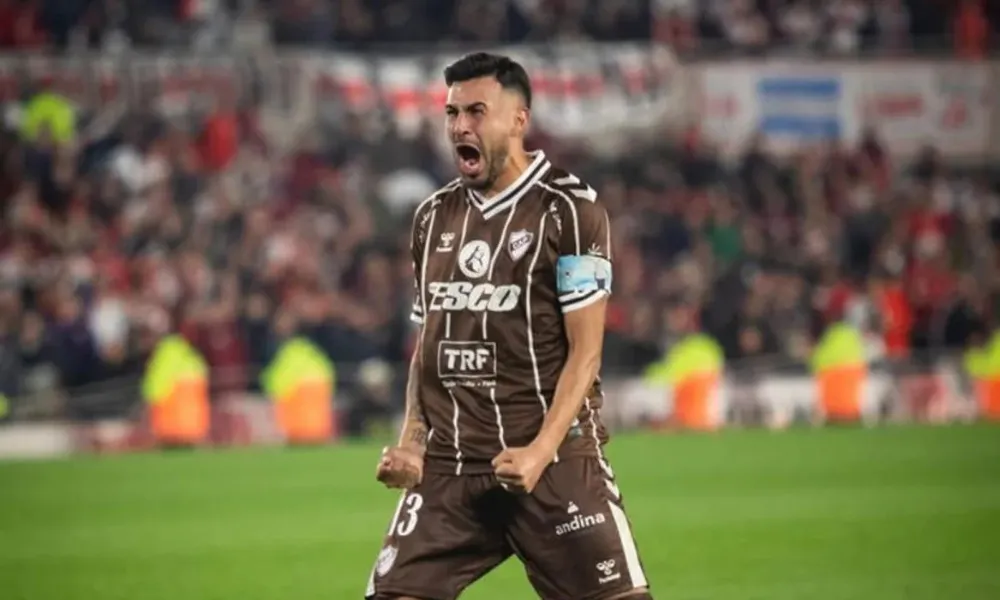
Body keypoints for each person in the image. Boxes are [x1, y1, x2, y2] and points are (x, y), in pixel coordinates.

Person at [365, 52, 652, 600]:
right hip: (451, 470)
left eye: (476, 111)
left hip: (554, 464)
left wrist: (539, 452)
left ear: (519, 120)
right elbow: (429, 346)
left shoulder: (570, 212)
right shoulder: (432, 217)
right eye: (452, 113)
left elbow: (586, 354)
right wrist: (412, 444)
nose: (460, 127)